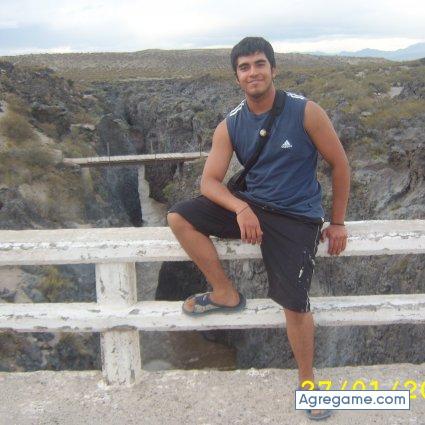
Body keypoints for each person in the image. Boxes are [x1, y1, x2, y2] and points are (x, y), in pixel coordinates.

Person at [167, 36, 350, 420]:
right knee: (179, 217)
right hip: (251, 207)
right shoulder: (230, 125)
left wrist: (337, 222)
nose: (253, 72)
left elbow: (340, 165)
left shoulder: (305, 112)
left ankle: (307, 383)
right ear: (237, 76)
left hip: (297, 216)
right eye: (245, 67)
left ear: (273, 69)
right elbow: (209, 182)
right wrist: (240, 207)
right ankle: (224, 292)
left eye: (259, 64)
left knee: (294, 303)